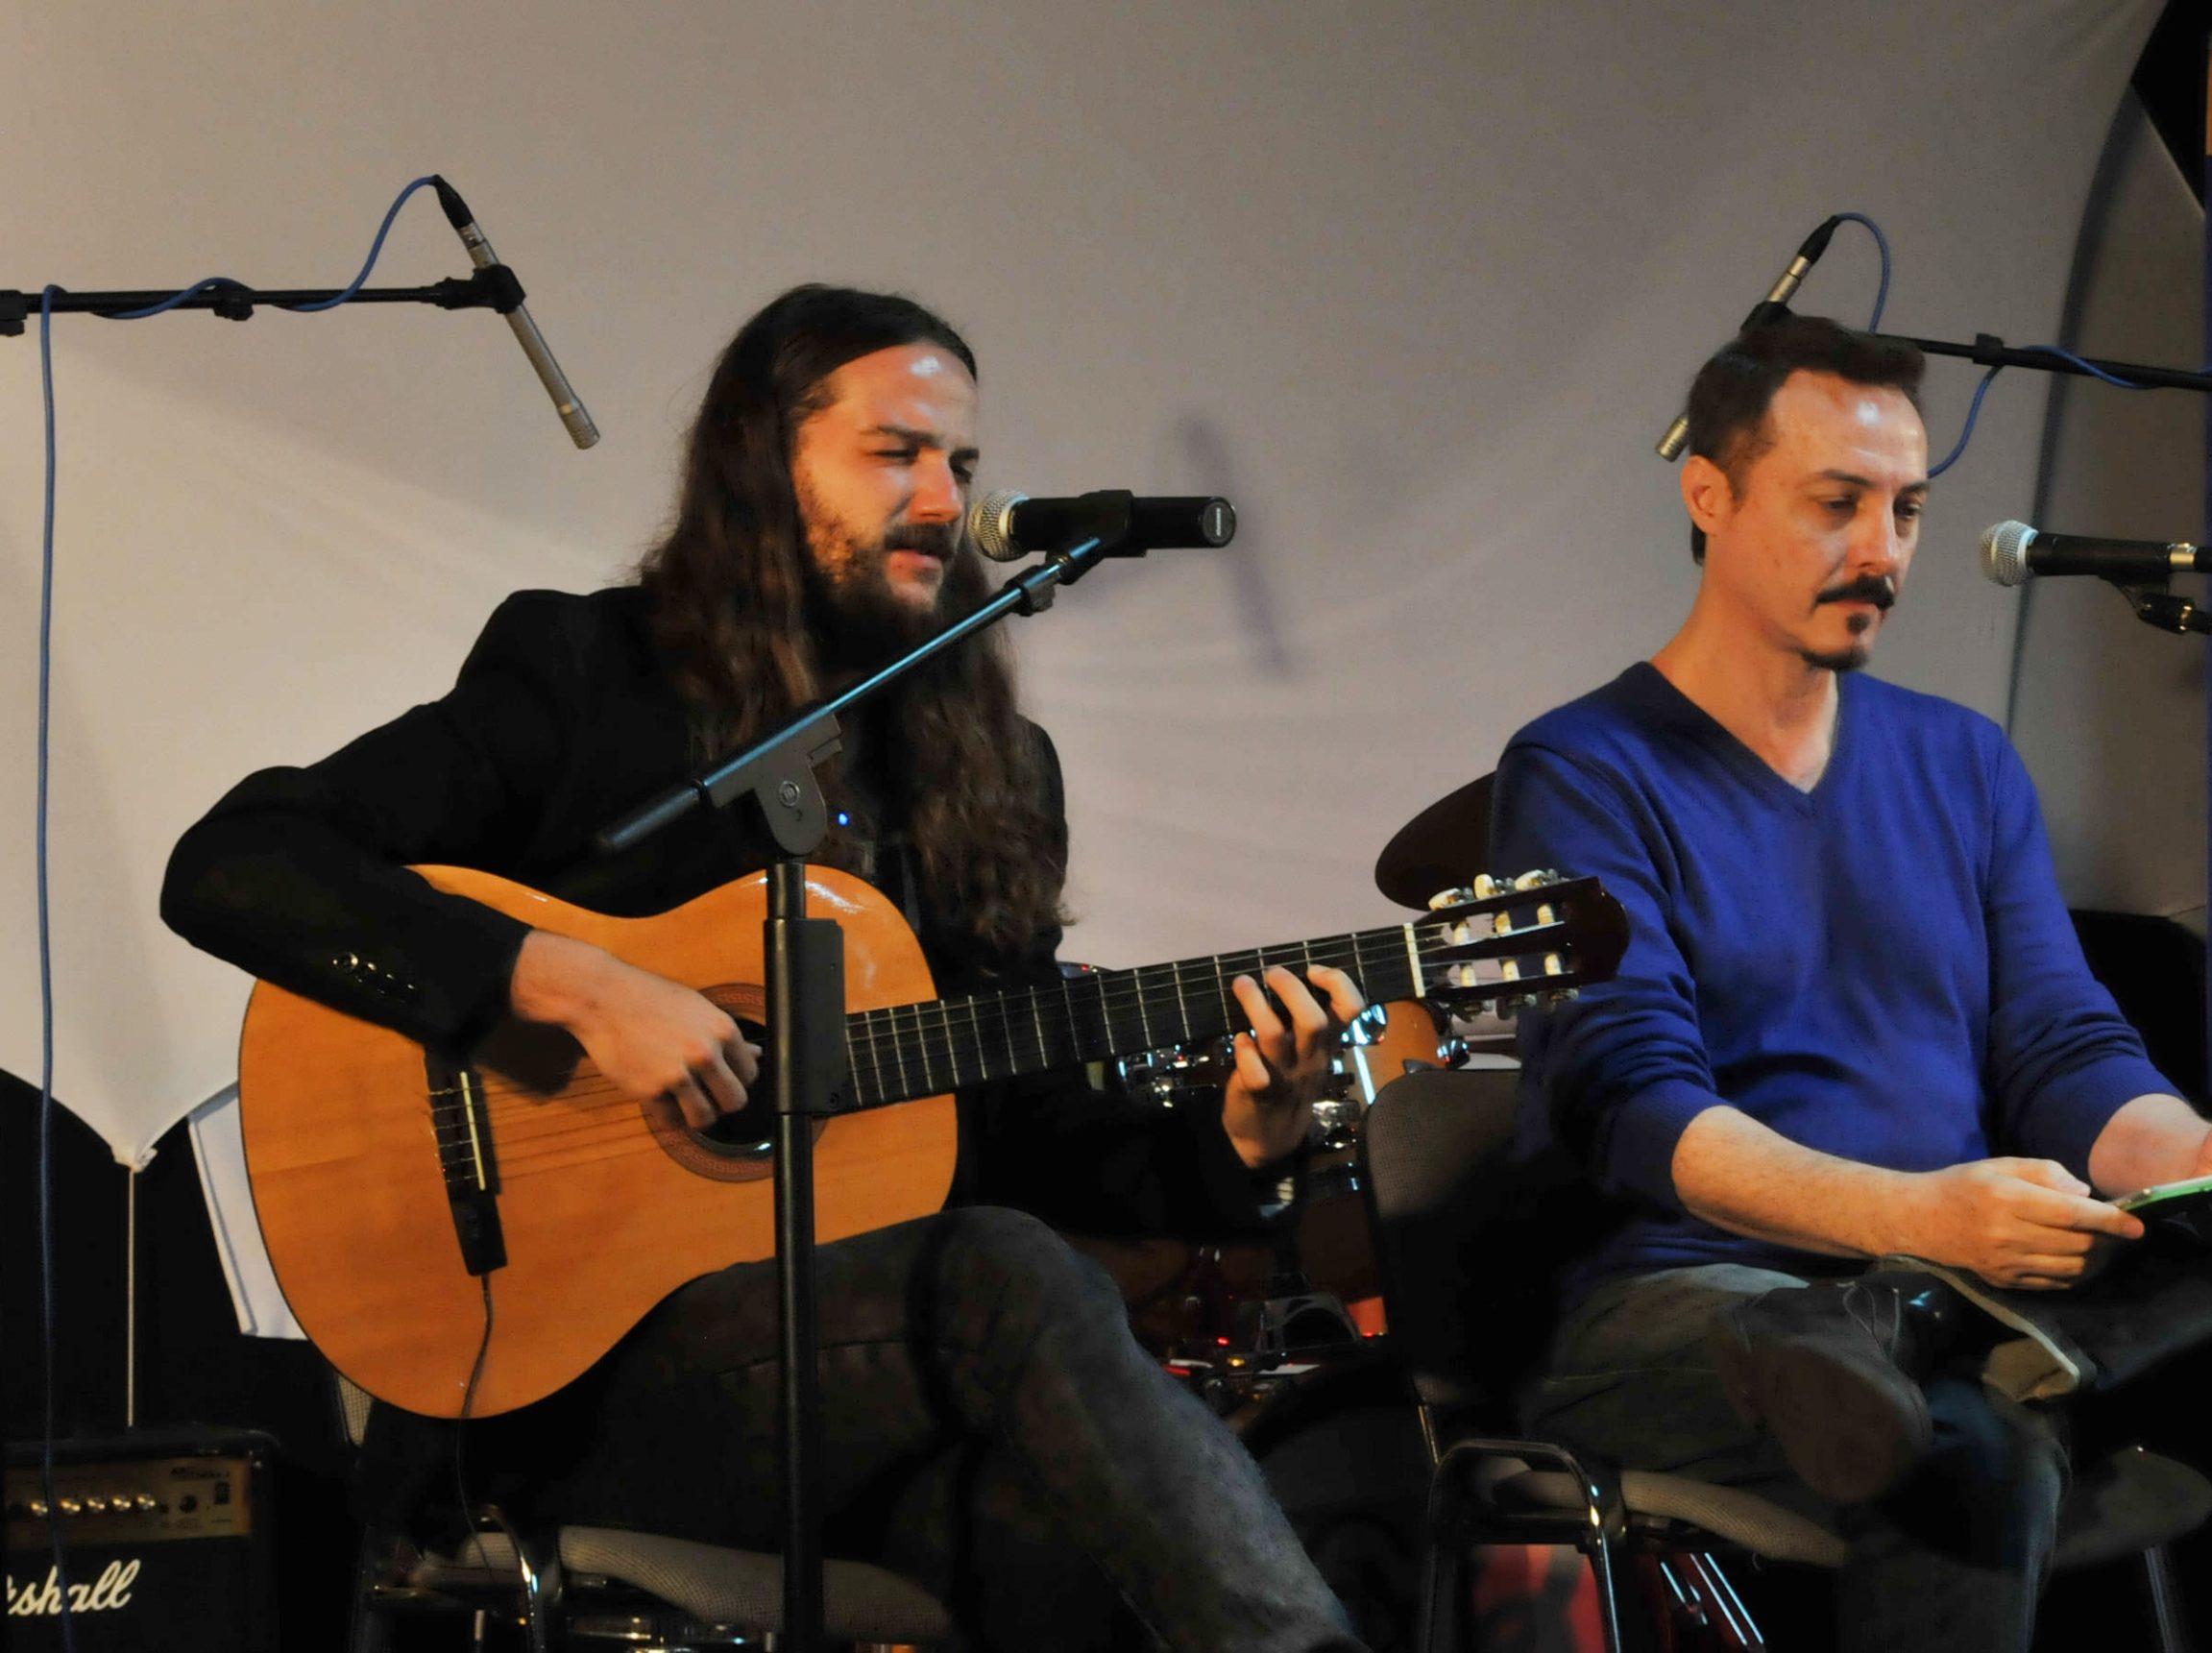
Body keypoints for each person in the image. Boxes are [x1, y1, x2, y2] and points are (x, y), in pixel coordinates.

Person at [160, 283, 1371, 1652]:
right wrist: (574, 985)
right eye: (896, 451)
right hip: (564, 1387)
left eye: (963, 462)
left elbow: (1020, 1127)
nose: (942, 497)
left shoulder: (994, 773)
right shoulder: (587, 672)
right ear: (762, 457)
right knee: (1000, 1272)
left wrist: (1238, 1146)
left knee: (1073, 1551)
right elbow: (237, 860)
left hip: (857, 1389)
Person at [1491, 312, 2212, 1651]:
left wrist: (2193, 1151)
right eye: (1837, 503)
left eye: (1909, 510)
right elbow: (1632, 1105)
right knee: (1970, 1437)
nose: (1882, 550)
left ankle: (1942, 1333)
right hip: (1696, 1301)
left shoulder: (1964, 761)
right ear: (1710, 492)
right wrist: (1916, 1219)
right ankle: (1946, 1345)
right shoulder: (1584, 767)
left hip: (1963, 1282)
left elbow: (2057, 1047)